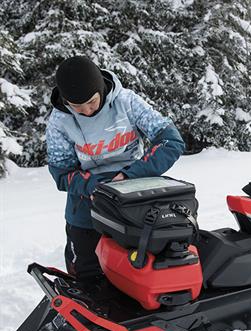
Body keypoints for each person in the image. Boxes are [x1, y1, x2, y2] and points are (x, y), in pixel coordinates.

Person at [46, 55, 185, 280]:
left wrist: (131, 175)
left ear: (100, 88)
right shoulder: (60, 121)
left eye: (92, 101)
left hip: (134, 198)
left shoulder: (127, 102)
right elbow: (61, 173)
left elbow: (171, 142)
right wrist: (96, 187)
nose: (87, 111)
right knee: (86, 276)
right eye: (77, 107)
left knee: (140, 269)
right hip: (85, 207)